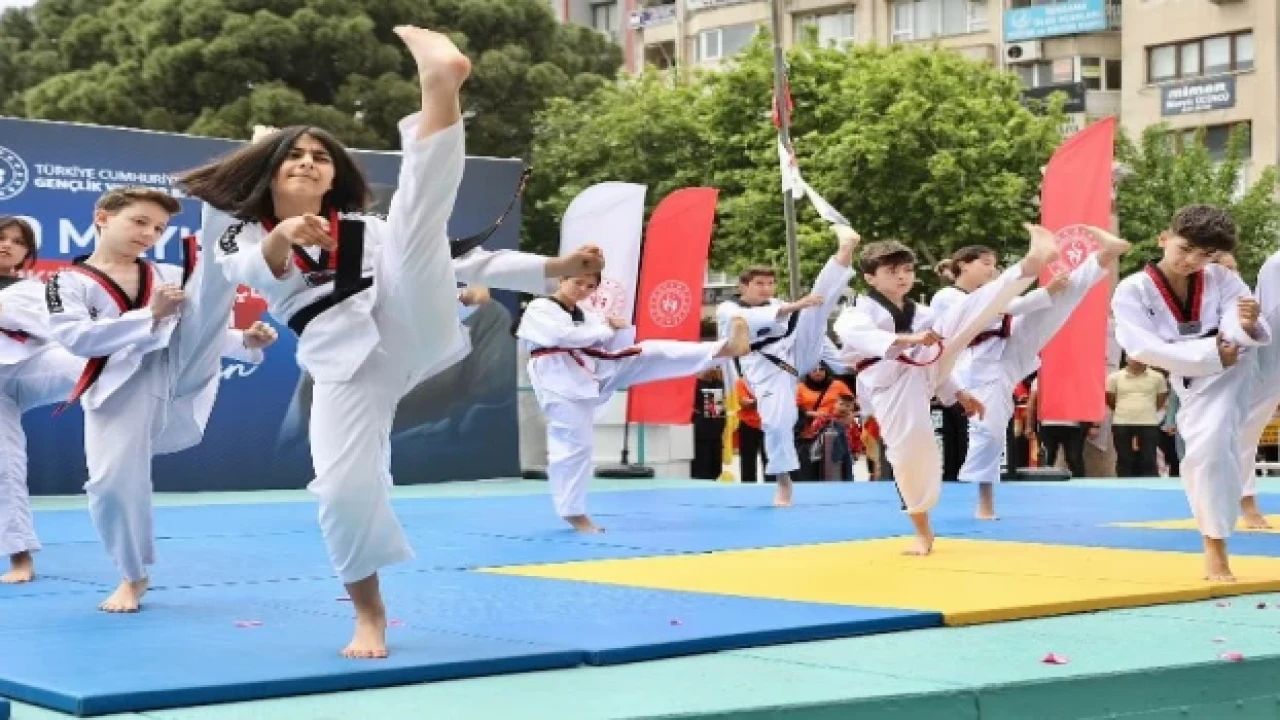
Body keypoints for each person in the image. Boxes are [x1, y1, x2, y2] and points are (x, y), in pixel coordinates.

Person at [175, 26, 585, 659]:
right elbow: (255, 269)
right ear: (270, 170)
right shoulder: (241, 235)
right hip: (342, 366)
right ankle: (369, 613)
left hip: (405, 323)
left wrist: (557, 268)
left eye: (321, 156)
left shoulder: (365, 228)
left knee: (419, 222)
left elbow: (463, 261)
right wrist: (283, 232)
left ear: (333, 176)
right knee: (343, 492)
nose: (309, 162)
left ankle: (439, 86)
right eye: (293, 155)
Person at [45, 188, 276, 612]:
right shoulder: (67, 281)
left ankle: (226, 209)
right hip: (119, 386)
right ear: (102, 217)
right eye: (139, 222)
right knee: (110, 486)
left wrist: (245, 340)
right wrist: (150, 314)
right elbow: (76, 338)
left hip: (178, 367)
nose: (149, 234)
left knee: (209, 282)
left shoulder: (168, 273)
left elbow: (197, 330)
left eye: (158, 228)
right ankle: (133, 575)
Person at [833, 224, 1063, 555]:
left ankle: (1030, 263)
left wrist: (959, 393)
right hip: (892, 386)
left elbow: (942, 352)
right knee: (911, 456)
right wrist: (908, 339)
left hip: (925, 369)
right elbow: (856, 334)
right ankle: (922, 532)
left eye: (907, 270)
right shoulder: (858, 311)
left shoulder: (922, 312)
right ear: (870, 278)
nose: (902, 277)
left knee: (968, 310)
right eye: (892, 272)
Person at [518, 271, 751, 531]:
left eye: (590, 286)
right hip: (557, 379)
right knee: (576, 445)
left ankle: (723, 349)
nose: (582, 289)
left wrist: (619, 330)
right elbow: (563, 337)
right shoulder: (540, 308)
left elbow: (610, 344)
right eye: (577, 282)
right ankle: (573, 512)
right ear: (562, 280)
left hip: (594, 370)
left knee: (651, 350)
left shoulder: (588, 316)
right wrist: (605, 328)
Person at [1110, 205, 1271, 581]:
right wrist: (1210, 353)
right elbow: (1141, 346)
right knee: (1208, 451)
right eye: (1184, 249)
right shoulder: (1132, 290)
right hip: (1192, 374)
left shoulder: (1221, 277)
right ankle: (1219, 531)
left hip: (1234, 368)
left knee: (1213, 445)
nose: (1191, 261)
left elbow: (1239, 320)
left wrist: (1246, 325)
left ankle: (1215, 545)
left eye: (1204, 255)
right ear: (1163, 239)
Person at [930, 237, 1125, 519]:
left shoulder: (996, 293)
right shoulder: (946, 296)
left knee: (1061, 302)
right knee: (990, 432)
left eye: (994, 264)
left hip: (1010, 349)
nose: (991, 269)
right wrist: (1044, 292)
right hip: (979, 363)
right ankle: (985, 502)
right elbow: (996, 310)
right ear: (963, 265)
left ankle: (1103, 256)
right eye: (985, 263)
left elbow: (1010, 306)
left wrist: (1048, 294)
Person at [716, 225, 858, 507]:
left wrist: (842, 363)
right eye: (759, 284)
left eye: (770, 283)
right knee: (777, 423)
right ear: (743, 286)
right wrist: (795, 306)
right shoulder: (728, 308)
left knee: (818, 307)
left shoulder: (779, 303)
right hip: (767, 370)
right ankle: (783, 482)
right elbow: (746, 323)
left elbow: (811, 330)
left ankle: (845, 249)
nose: (766, 289)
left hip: (798, 353)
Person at [0, 217, 85, 584]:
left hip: (30, 367)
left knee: (90, 364)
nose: (7, 245)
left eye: (17, 241)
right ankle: (21, 558)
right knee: (5, 465)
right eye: (0, 237)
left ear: (27, 253)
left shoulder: (34, 289)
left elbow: (48, 327)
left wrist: (5, 312)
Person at [1237, 249, 1280, 528]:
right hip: (1268, 357)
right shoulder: (1276, 265)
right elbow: (1273, 316)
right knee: (1246, 429)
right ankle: (1245, 499)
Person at [1105, 357, 1169, 477]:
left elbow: (1160, 399)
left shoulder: (1158, 377)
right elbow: (1110, 399)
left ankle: (1149, 485)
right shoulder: (1114, 377)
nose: (1136, 360)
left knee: (1149, 459)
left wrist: (1146, 409)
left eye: (1139, 356)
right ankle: (1124, 485)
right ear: (1126, 358)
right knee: (1124, 458)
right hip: (1121, 422)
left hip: (1149, 422)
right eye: (1132, 357)